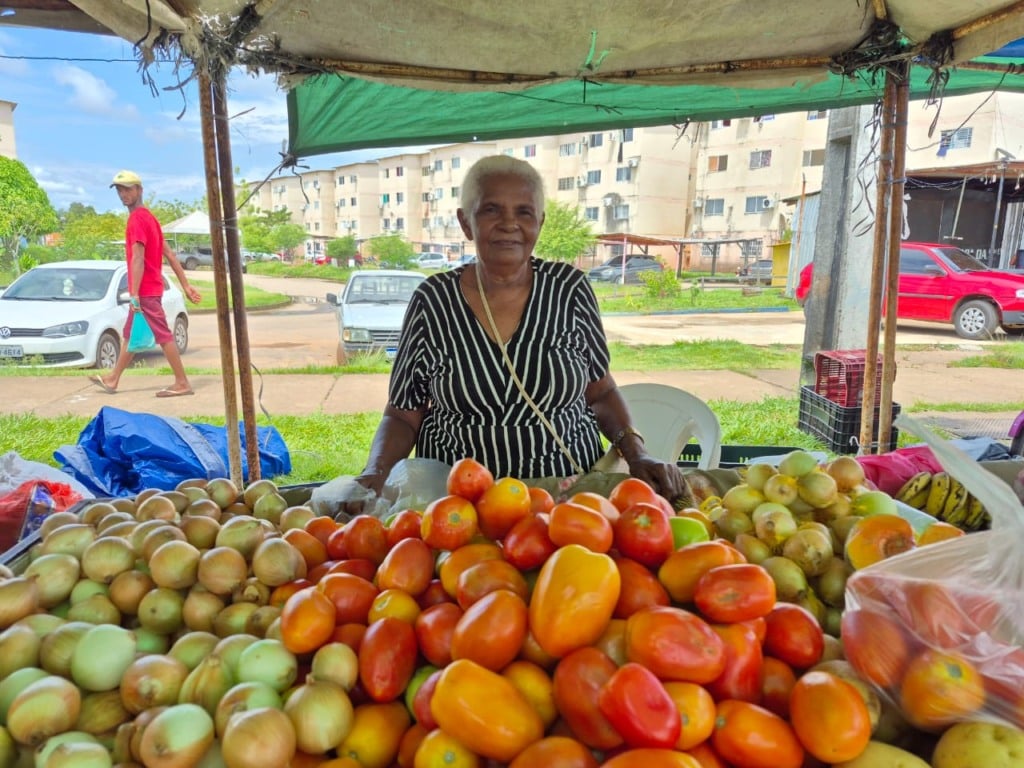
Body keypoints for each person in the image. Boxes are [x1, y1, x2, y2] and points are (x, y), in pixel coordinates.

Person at [346, 155, 688, 512]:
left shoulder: (569, 290)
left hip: (570, 498)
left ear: (539, 222)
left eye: (524, 212)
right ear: (466, 222)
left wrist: (637, 454)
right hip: (458, 503)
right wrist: (374, 473)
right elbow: (403, 413)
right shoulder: (432, 301)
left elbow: (601, 391)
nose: (509, 224)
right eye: (491, 210)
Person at [89, 170, 202, 397]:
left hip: (145, 292)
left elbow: (138, 258)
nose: (123, 194)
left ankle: (182, 382)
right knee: (131, 335)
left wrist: (134, 294)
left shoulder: (137, 220)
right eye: (119, 190)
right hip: (148, 290)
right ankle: (113, 379)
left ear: (139, 190)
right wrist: (185, 285)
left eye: (127, 189)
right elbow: (169, 254)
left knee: (163, 335)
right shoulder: (150, 218)